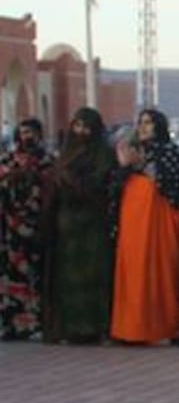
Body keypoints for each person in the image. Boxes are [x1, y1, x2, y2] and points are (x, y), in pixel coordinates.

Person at [42, 108, 119, 344]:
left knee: (94, 276)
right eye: (77, 126)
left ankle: (95, 328)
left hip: (93, 224)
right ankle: (69, 328)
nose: (81, 131)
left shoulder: (104, 153)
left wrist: (71, 181)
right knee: (68, 278)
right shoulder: (66, 153)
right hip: (67, 226)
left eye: (86, 127)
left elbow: (101, 184)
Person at [111, 108, 179, 345]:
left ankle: (167, 327)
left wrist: (142, 164)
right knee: (133, 270)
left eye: (148, 123)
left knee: (162, 270)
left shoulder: (169, 152)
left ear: (159, 126)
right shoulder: (132, 149)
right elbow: (115, 185)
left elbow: (174, 186)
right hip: (134, 219)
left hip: (159, 219)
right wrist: (125, 165)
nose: (143, 127)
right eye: (141, 122)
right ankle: (132, 330)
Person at [0, 118, 55, 340]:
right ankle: (10, 323)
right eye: (22, 132)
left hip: (34, 229)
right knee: (8, 278)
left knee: (33, 275)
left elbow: (49, 191)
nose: (26, 137)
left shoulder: (46, 162)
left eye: (31, 132)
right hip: (8, 232)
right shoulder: (8, 160)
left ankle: (32, 324)